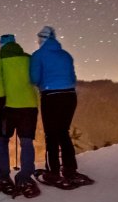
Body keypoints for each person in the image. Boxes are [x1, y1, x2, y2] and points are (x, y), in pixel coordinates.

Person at [30, 26, 91, 186]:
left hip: (51, 96)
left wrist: (42, 84)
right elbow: (73, 78)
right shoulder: (66, 55)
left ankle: (53, 172)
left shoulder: (38, 55)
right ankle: (70, 169)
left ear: (42, 39)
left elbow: (34, 78)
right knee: (63, 132)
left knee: (51, 135)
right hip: (70, 96)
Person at [0, 34, 40, 198]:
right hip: (30, 106)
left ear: (2, 44)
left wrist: (1, 98)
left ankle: (4, 175)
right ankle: (25, 178)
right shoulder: (29, 58)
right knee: (26, 142)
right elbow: (36, 79)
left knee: (2, 140)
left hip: (9, 107)